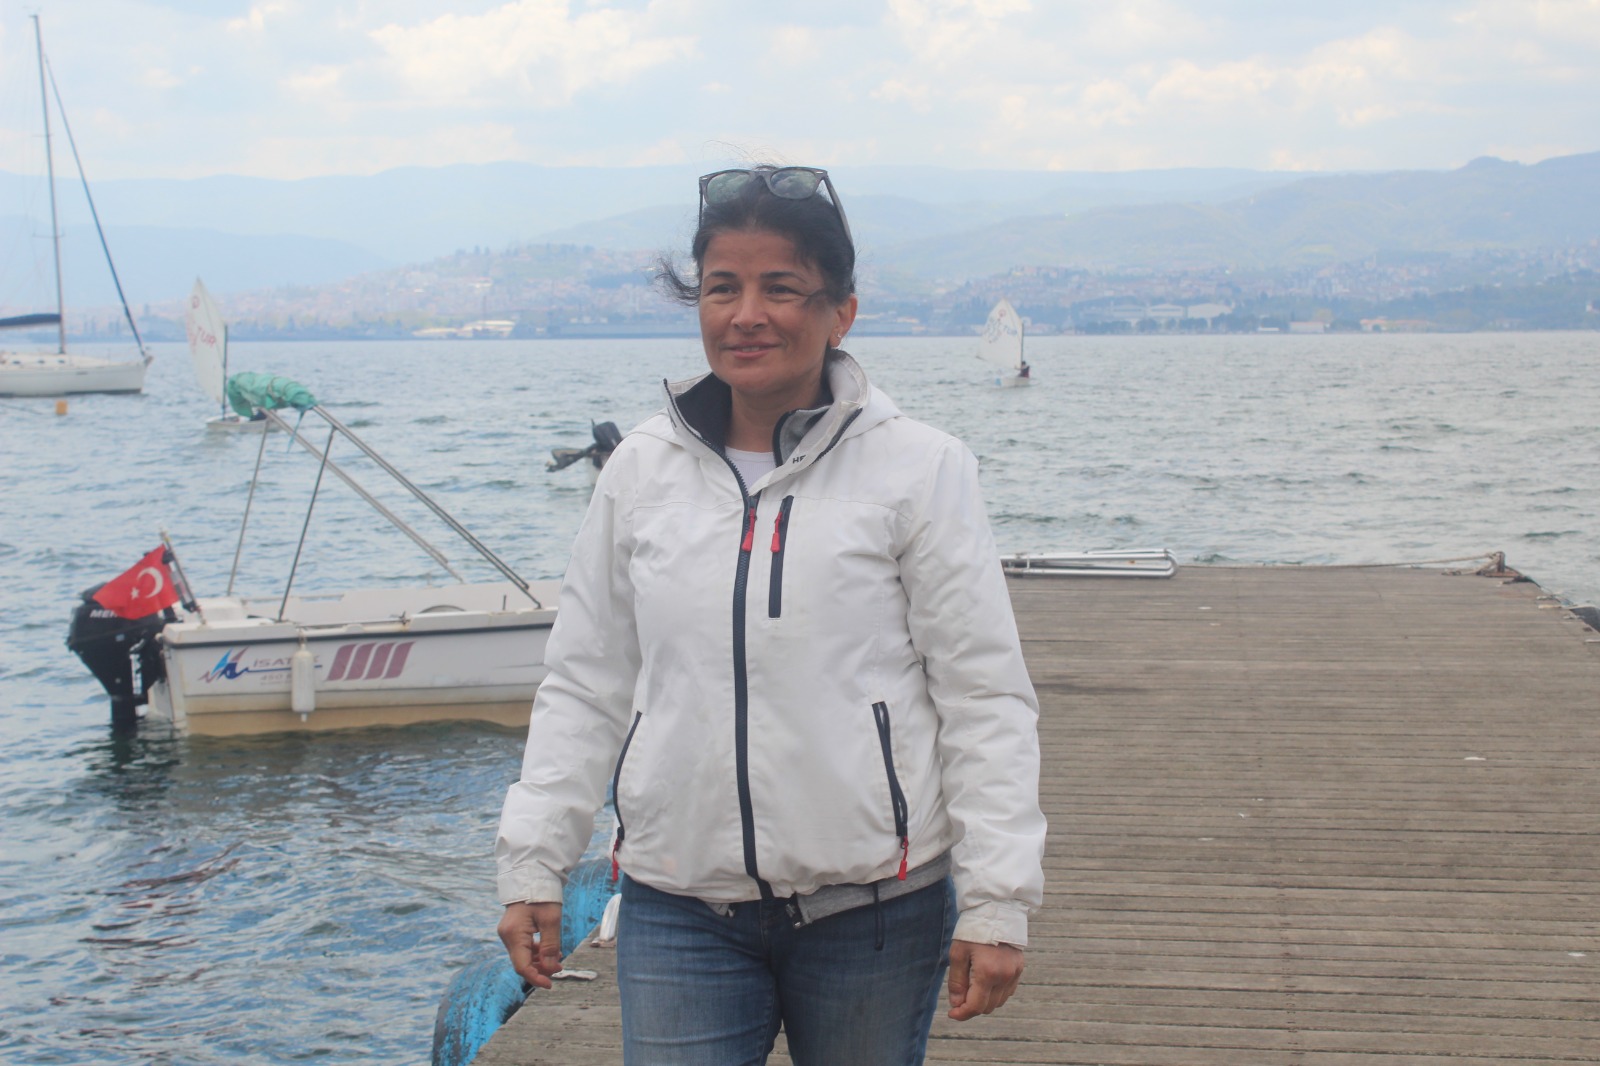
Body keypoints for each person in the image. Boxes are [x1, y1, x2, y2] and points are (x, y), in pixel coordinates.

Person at [495, 164, 1045, 1065]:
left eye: (780, 288)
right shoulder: (640, 471)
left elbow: (982, 694)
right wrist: (533, 861)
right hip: (679, 903)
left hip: (876, 908)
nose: (746, 314)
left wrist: (997, 899)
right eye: (722, 288)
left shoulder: (920, 468)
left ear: (841, 313)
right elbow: (586, 680)